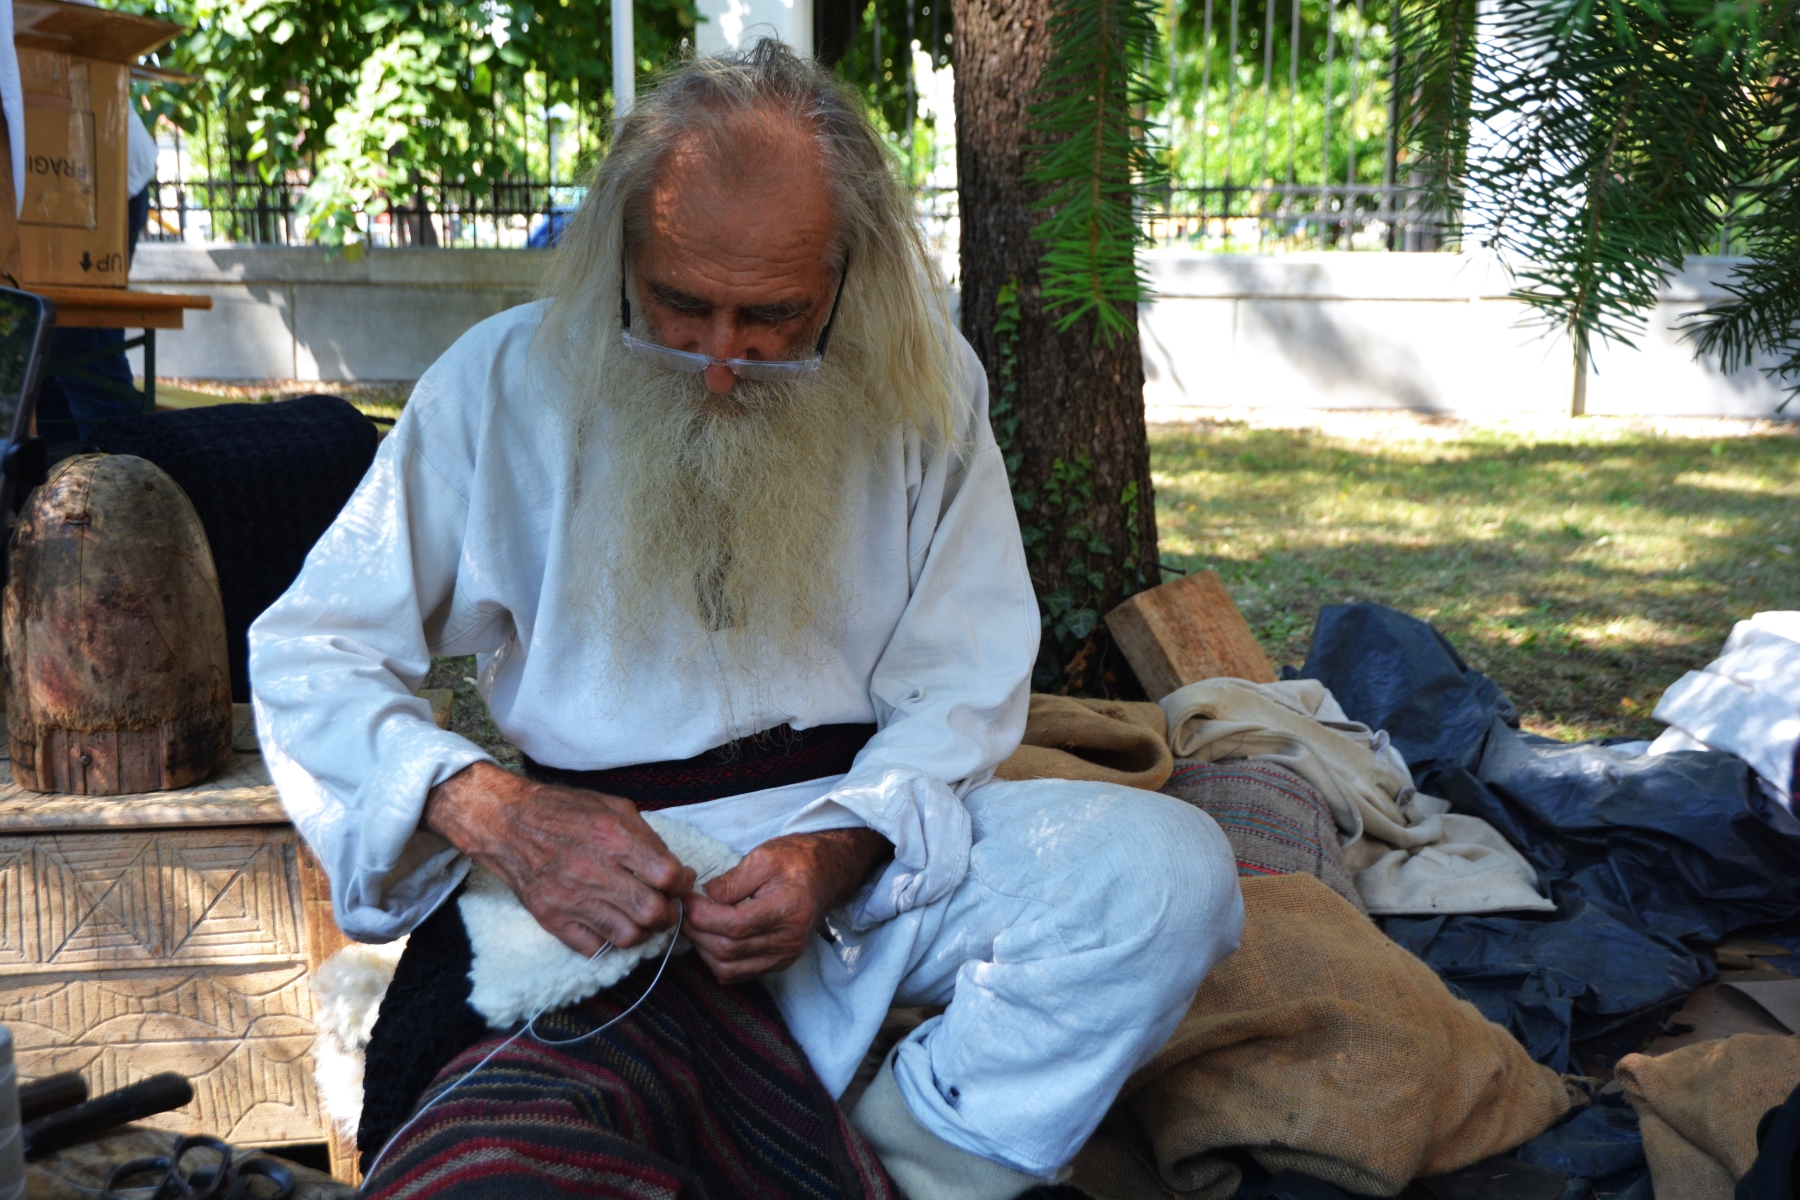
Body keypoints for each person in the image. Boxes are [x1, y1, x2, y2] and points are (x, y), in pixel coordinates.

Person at [249, 40, 1243, 1200]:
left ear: (845, 274)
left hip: (857, 850)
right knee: (508, 1156)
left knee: (1166, 876)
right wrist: (499, 813)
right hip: (601, 881)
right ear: (620, 252)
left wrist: (840, 846)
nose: (718, 364)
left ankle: (912, 1167)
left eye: (770, 316)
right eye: (678, 304)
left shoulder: (924, 387)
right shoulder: (497, 387)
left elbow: (962, 684)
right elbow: (311, 650)